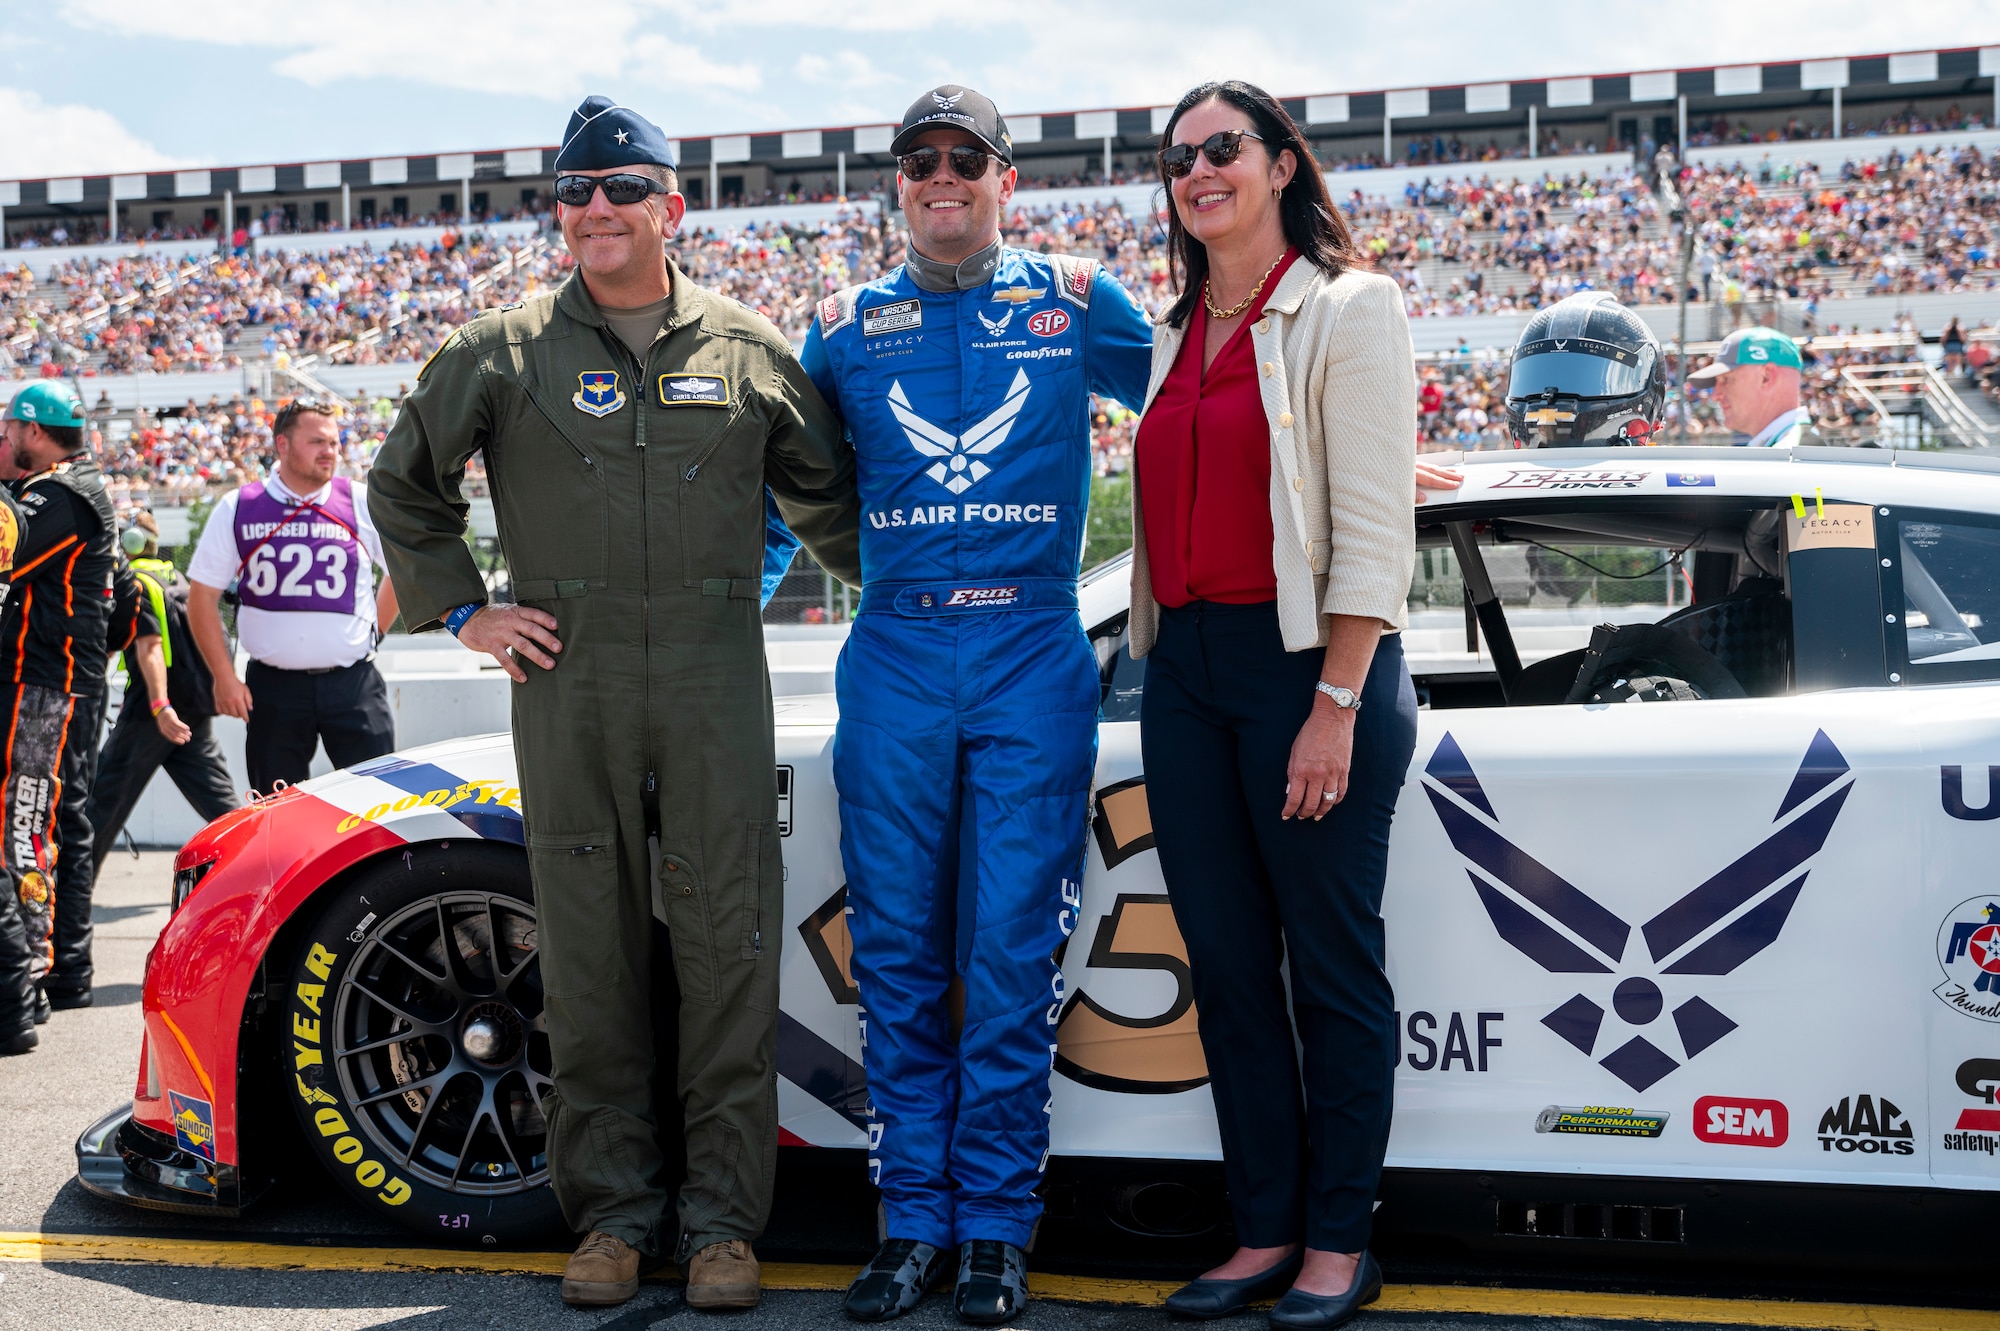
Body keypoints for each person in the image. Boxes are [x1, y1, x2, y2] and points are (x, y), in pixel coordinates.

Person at [366, 96, 860, 1314]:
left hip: (709, 679)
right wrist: (466, 610)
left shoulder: (748, 349)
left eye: (621, 188)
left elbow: (838, 507)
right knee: (586, 956)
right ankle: (613, 1217)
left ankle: (722, 1229)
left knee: (727, 954)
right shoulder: (503, 346)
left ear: (668, 207)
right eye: (577, 190)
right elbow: (403, 483)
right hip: (566, 680)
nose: (595, 208)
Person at [802, 84, 1153, 1326]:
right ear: (895, 184)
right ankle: (910, 1224)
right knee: (894, 952)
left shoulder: (1071, 295)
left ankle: (998, 1225)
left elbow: (1207, 400)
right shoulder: (842, 325)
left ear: (1007, 178)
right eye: (917, 161)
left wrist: (1357, 449)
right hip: (893, 650)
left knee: (1007, 951)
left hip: (1028, 646)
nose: (940, 176)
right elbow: (760, 494)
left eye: (966, 158)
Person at [1130, 83, 1418, 1330]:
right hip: (1181, 673)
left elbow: (1367, 532)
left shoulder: (1349, 305)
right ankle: (1262, 1227)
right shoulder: (1173, 325)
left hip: (1308, 668)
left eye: (1223, 147)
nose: (1199, 170)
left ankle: (1337, 1240)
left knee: (1331, 971)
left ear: (1282, 161)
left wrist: (1336, 701)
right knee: (1232, 974)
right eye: (1179, 156)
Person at [184, 399, 399, 796]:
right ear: (282, 445)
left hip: (353, 683)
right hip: (273, 690)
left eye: (334, 443)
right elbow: (201, 597)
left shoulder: (359, 500)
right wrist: (224, 677)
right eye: (317, 441)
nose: (330, 452)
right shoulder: (239, 505)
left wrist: (375, 632)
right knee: (273, 810)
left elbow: (401, 572)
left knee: (379, 806)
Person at [0, 381, 114, 1042]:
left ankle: (33, 974)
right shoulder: (75, 485)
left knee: (25, 830)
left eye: (9, 428)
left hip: (49, 688)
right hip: (58, 683)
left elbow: (9, 553)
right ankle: (64, 968)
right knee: (54, 823)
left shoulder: (61, 495)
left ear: (32, 430)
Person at [86, 513, 238, 878]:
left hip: (154, 711)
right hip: (194, 707)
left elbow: (149, 646)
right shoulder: (176, 578)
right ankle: (264, 866)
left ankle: (64, 895)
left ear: (131, 544)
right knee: (223, 806)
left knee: (102, 804)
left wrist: (159, 705)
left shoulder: (136, 583)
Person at [1686, 327, 1817, 447]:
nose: (1715, 396)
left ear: (1766, 377)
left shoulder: (1793, 455)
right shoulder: (1786, 449)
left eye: (1726, 379)